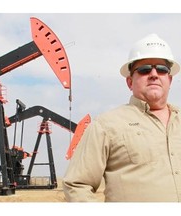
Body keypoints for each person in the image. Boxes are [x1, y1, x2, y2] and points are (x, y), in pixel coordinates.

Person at [62, 33, 181, 202]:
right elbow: (76, 185)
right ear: (130, 82)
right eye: (145, 69)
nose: (154, 74)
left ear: (169, 79)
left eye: (162, 69)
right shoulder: (105, 125)